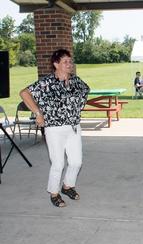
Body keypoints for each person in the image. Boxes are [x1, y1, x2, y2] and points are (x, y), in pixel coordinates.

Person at [20, 49, 90, 208]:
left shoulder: (76, 81)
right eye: (65, 62)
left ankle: (67, 186)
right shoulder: (46, 82)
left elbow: (86, 91)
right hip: (54, 129)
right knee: (58, 163)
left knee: (76, 162)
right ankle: (54, 193)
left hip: (73, 127)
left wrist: (76, 109)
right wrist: (38, 113)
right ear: (56, 64)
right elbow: (24, 93)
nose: (69, 64)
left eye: (70, 61)